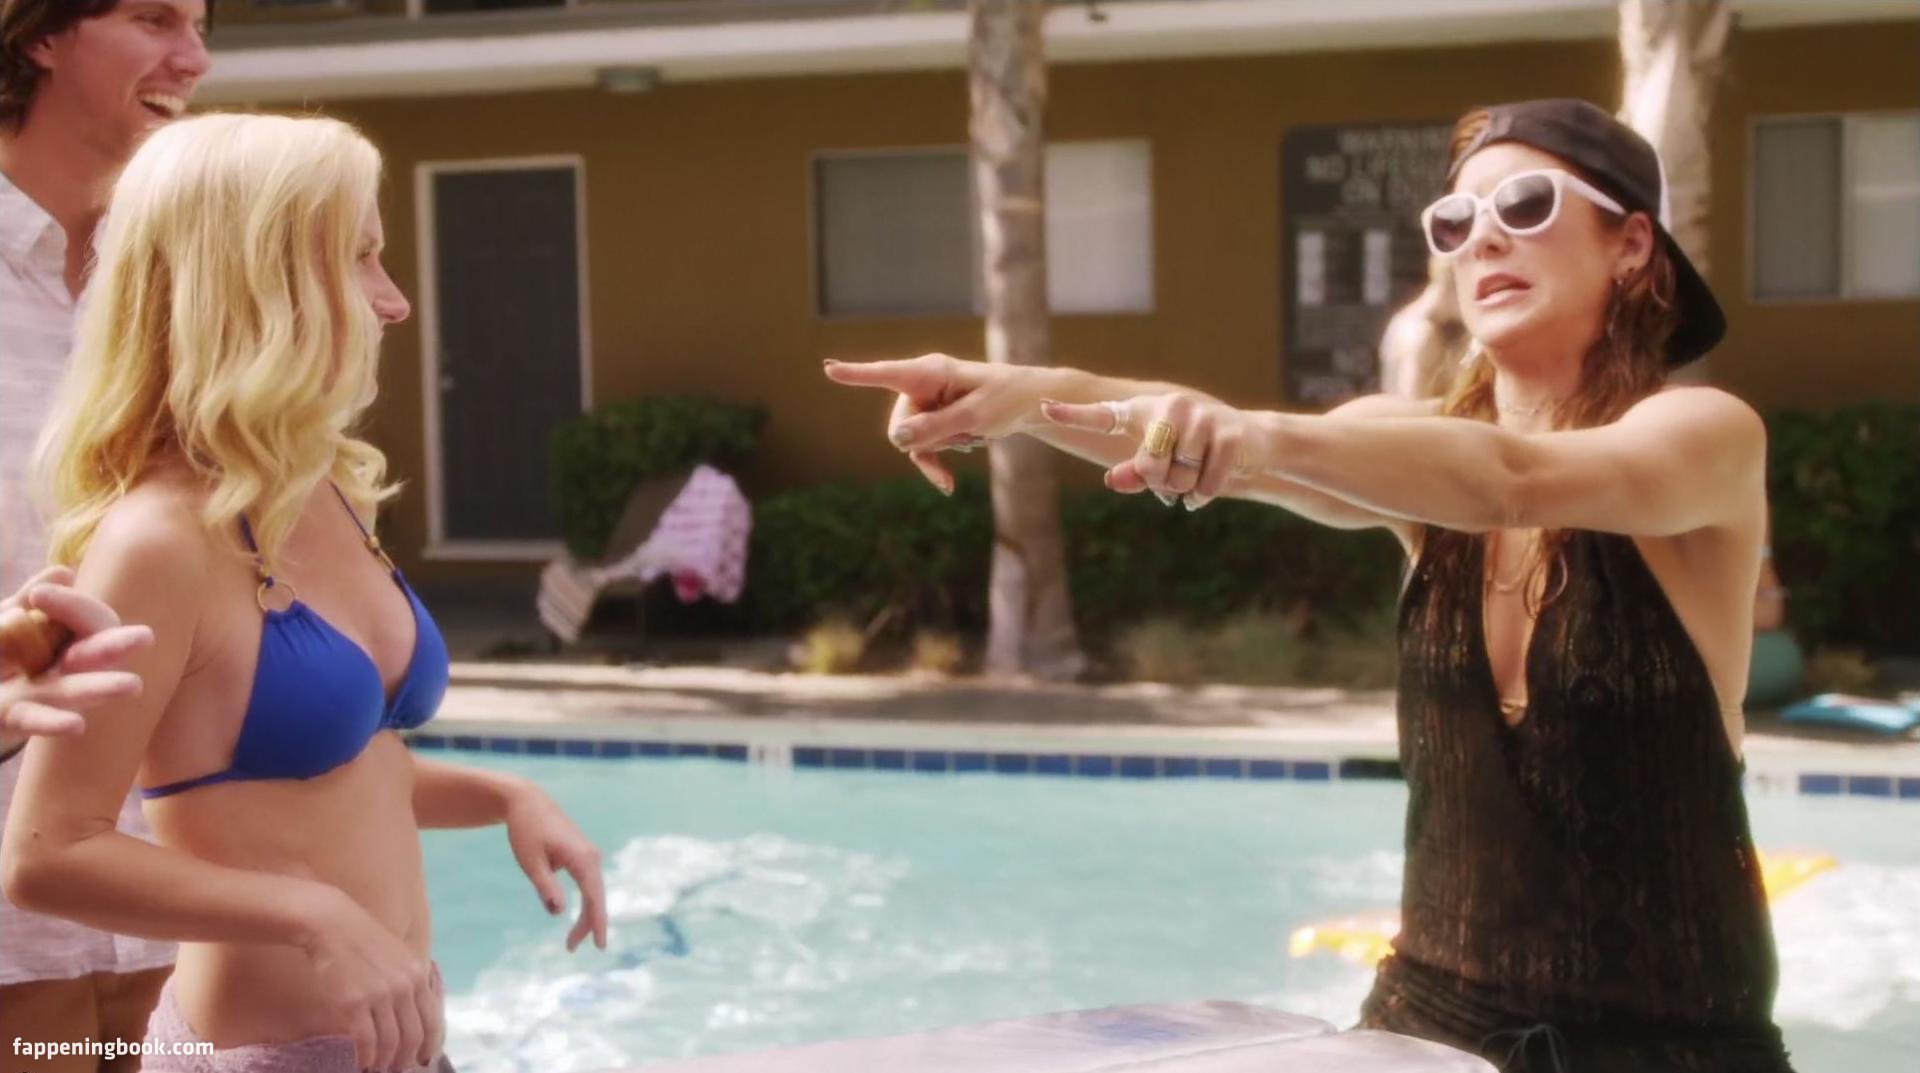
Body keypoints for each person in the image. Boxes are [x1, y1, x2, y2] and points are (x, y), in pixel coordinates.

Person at [826, 98, 1792, 1072]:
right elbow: (1219, 432)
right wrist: (1020, 396)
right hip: (1426, 1025)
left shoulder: (1705, 435)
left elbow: (1512, 477)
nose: (1484, 238)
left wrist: (1254, 439)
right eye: (1455, 222)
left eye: (1527, 204)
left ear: (1632, 244)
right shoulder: (1410, 454)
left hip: (1671, 1047)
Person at [1, 112, 609, 1073]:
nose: (395, 301)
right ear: (258, 282)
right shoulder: (157, 542)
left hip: (405, 1049)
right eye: (360, 258)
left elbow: (337, 779)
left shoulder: (322, 487)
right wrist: (314, 916)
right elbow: (46, 853)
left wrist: (506, 793)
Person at [0, 3, 209, 1066]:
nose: (195, 57)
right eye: (154, 18)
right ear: (38, 33)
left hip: (187, 915)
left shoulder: (193, 287)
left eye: (203, 24)